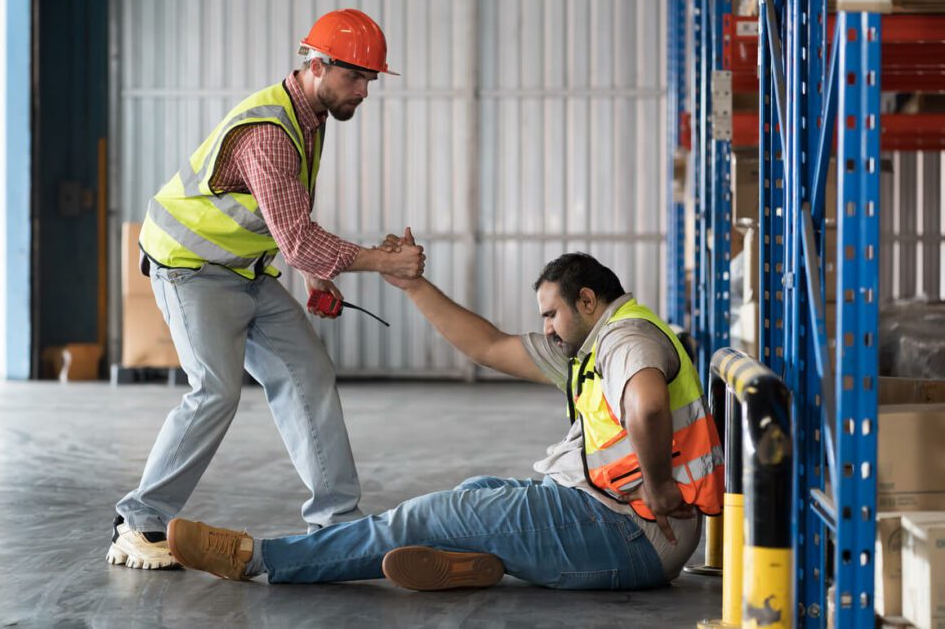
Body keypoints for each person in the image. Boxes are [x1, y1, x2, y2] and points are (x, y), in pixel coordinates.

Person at [163, 248, 725, 591]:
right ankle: (468, 564)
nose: (546, 328)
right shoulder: (590, 344)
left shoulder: (627, 336)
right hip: (617, 523)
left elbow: (646, 404)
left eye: (550, 314)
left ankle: (257, 558)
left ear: (585, 300)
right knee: (477, 492)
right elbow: (486, 345)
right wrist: (412, 285)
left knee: (435, 513)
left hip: (631, 533)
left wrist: (660, 490)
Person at [107, 9, 425, 570]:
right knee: (215, 390)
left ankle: (338, 523)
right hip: (189, 267)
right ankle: (138, 522)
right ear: (318, 65)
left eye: (371, 81)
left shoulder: (312, 117)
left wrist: (315, 275)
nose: (364, 92)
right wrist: (385, 262)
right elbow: (300, 239)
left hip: (245, 270)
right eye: (355, 78)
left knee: (309, 372)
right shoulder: (270, 132)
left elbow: (289, 222)